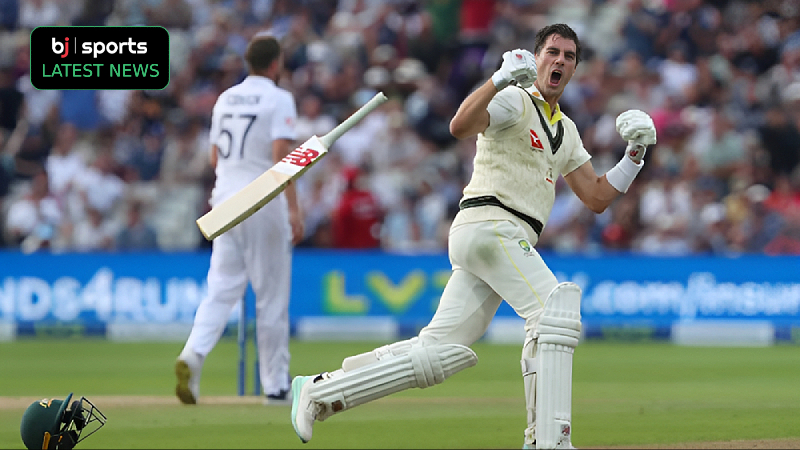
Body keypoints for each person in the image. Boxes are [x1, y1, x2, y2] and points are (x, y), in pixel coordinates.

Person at [289, 23, 657, 448]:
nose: (559, 61)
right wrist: (498, 78)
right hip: (491, 224)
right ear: (537, 58)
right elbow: (460, 126)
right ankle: (547, 440)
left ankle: (319, 390)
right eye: (552, 52)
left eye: (568, 56)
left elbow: (594, 197)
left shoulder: (567, 130)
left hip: (498, 238)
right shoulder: (516, 100)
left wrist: (634, 156)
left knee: (437, 353)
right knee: (553, 314)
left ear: (574, 68)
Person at [175, 33, 304, 405]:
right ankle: (276, 385)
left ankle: (192, 355)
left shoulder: (224, 98)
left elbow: (216, 159)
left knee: (221, 289)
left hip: (225, 201)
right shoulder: (279, 98)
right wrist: (294, 209)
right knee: (271, 298)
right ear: (275, 64)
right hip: (262, 199)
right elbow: (283, 156)